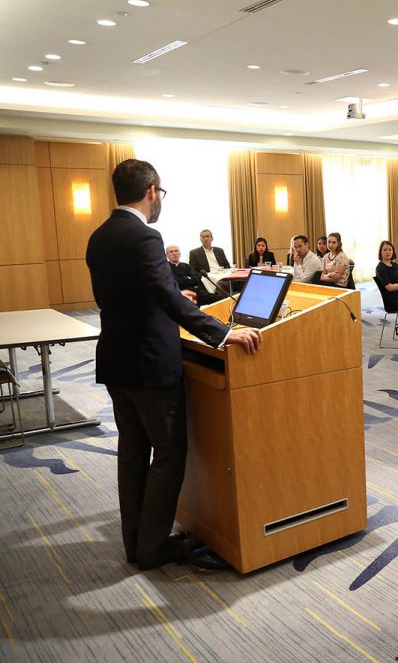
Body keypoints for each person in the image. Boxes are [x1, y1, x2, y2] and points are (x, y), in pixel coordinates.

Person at [86, 159, 261, 571]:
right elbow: (166, 299)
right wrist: (221, 333)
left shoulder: (99, 236)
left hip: (117, 359)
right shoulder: (146, 236)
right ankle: (152, 548)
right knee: (167, 452)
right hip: (149, 364)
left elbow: (131, 295)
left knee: (132, 452)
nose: (159, 200)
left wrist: (175, 302)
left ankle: (135, 543)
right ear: (151, 191)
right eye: (160, 193)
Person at [375, 240, 398, 311]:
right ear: (380, 252)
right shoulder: (380, 268)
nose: (388, 252)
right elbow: (389, 287)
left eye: (390, 249)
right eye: (385, 250)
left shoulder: (395, 265)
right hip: (393, 299)